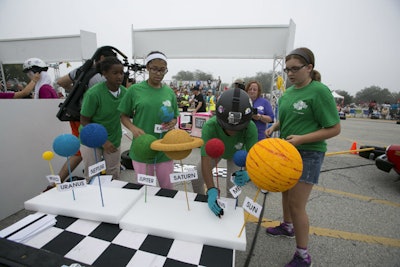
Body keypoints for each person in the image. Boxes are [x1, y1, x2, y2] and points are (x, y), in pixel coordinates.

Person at [265, 47, 341, 267]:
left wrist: (301, 139)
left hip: (309, 153)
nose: (289, 74)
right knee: (286, 194)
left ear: (309, 68)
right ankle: (287, 227)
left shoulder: (319, 92)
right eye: (287, 70)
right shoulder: (288, 92)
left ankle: (303, 255)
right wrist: (274, 126)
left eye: (295, 69)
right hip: (287, 151)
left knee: (298, 204)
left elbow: (334, 128)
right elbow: (288, 117)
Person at [191, 88, 258, 216]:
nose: (232, 131)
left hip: (237, 155)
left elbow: (255, 158)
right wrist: (211, 189)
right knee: (197, 175)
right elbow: (205, 160)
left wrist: (250, 173)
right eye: (227, 126)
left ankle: (230, 216)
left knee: (232, 187)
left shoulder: (251, 128)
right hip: (216, 152)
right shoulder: (209, 126)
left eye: (238, 128)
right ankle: (201, 204)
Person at [118, 51, 179, 189]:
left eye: (162, 70)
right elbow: (123, 115)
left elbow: (175, 116)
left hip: (165, 149)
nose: (158, 73)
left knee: (167, 188)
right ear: (147, 68)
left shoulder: (169, 92)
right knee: (145, 190)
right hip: (142, 148)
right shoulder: (134, 90)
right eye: (154, 69)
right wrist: (133, 128)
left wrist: (173, 122)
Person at [56, 47, 117, 182]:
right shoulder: (101, 78)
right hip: (89, 120)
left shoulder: (81, 70)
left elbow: (60, 82)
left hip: (76, 115)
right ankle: (56, 183)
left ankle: (57, 182)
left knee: (82, 152)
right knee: (81, 152)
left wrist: (77, 91)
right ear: (101, 59)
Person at [80, 56, 127, 181]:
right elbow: (84, 120)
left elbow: (128, 114)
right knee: (92, 173)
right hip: (91, 138)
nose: (119, 76)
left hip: (113, 137)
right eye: (115, 73)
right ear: (104, 74)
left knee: (113, 173)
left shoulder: (125, 93)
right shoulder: (93, 94)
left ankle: (112, 199)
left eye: (122, 73)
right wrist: (102, 141)